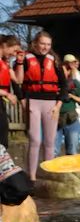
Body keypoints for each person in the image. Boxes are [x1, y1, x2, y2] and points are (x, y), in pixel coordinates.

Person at [14, 30, 62, 179]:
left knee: (50, 141)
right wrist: (22, 99)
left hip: (51, 104)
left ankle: (49, 175)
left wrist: (58, 104)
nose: (45, 47)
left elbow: (64, 85)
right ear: (35, 43)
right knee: (35, 140)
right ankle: (32, 177)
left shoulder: (53, 60)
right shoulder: (25, 59)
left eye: (48, 44)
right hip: (32, 101)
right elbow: (16, 81)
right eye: (42, 43)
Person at [56, 54, 80, 156]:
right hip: (56, 120)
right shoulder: (55, 82)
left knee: (72, 152)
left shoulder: (74, 82)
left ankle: (71, 172)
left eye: (70, 67)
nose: (66, 69)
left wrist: (72, 96)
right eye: (65, 66)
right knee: (53, 151)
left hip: (71, 120)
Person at [0, 35, 21, 148]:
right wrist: (7, 94)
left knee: (3, 139)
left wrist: (20, 63)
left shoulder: (5, 63)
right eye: (14, 50)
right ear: (4, 45)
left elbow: (18, 80)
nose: (14, 54)